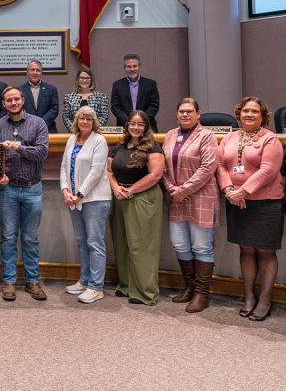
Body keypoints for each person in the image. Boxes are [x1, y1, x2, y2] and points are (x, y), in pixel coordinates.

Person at [216, 97, 283, 321]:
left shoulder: (270, 139)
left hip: (265, 202)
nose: (249, 114)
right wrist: (227, 189)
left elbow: (269, 170)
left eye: (255, 111)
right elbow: (220, 165)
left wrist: (243, 191)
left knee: (265, 251)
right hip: (236, 200)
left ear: (263, 116)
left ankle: (265, 300)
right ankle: (248, 297)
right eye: (246, 111)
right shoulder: (230, 137)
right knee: (245, 250)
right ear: (239, 114)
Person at [0, 86, 49, 301]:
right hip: (8, 190)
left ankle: (32, 281)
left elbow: (41, 153)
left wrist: (18, 148)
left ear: (23, 100)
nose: (13, 103)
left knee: (31, 238)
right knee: (7, 237)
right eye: (9, 100)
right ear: (4, 104)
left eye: (16, 99)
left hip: (33, 188)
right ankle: (9, 281)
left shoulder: (38, 123)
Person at [162, 98, 219, 313]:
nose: (185, 115)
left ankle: (202, 294)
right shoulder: (169, 135)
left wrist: (182, 190)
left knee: (202, 247)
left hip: (201, 197)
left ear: (198, 113)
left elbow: (208, 168)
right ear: (177, 114)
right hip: (177, 199)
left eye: (189, 111)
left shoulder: (207, 136)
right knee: (180, 244)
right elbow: (163, 167)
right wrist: (171, 188)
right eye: (181, 112)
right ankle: (189, 287)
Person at [107, 110, 164, 305]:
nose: (136, 127)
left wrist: (131, 191)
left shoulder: (153, 147)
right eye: (132, 123)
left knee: (141, 247)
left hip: (143, 198)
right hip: (120, 197)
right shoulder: (118, 147)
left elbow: (155, 175)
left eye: (140, 124)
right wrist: (116, 189)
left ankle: (144, 292)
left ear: (146, 127)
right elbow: (109, 171)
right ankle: (126, 285)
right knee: (122, 244)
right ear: (127, 125)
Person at [60, 106, 111, 304]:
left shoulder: (99, 141)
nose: (84, 122)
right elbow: (65, 166)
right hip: (73, 198)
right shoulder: (72, 139)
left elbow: (96, 172)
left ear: (94, 121)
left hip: (94, 199)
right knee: (82, 240)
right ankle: (85, 280)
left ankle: (96, 287)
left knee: (94, 242)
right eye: (82, 118)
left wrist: (79, 194)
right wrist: (65, 190)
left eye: (89, 119)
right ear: (76, 120)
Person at [111, 54, 160, 132]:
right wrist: (129, 122)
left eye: (134, 66)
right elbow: (115, 107)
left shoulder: (150, 84)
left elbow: (154, 105)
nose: (132, 69)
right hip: (124, 125)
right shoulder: (117, 85)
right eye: (129, 66)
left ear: (139, 67)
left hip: (147, 125)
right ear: (125, 68)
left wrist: (141, 120)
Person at [20, 60, 59, 133]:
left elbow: (54, 109)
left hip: (48, 128)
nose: (35, 73)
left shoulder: (51, 89)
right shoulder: (19, 90)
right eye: (32, 70)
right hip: (26, 129)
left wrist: (40, 123)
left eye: (38, 70)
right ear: (27, 72)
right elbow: (19, 109)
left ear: (41, 73)